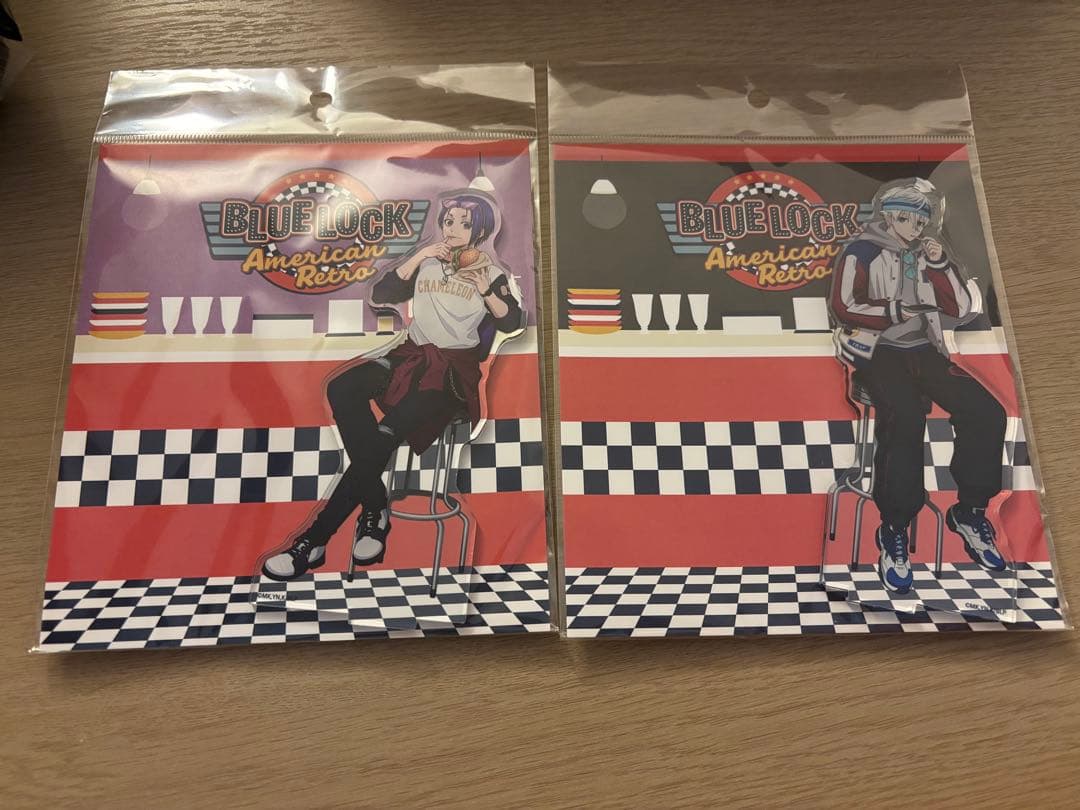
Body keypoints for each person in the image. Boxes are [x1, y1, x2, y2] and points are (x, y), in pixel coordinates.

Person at [261, 193, 524, 581]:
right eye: (448, 221)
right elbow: (382, 294)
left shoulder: (492, 273)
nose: (453, 229)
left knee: (385, 434)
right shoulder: (428, 262)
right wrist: (419, 257)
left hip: (450, 375)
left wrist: (485, 289)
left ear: (481, 230)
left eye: (464, 224)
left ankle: (313, 541)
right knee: (343, 388)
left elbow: (512, 322)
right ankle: (374, 507)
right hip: (409, 357)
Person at [830, 179, 1008, 594]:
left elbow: (960, 308)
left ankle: (970, 511)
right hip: (877, 352)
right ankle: (893, 527)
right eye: (910, 219)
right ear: (891, 216)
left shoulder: (926, 254)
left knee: (986, 411)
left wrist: (941, 265)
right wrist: (895, 310)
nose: (917, 227)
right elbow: (843, 306)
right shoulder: (861, 251)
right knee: (906, 416)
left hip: (925, 352)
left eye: (922, 220)